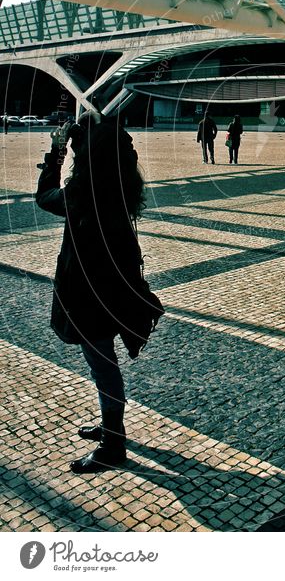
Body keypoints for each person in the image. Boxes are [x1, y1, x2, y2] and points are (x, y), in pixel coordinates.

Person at [35, 112, 162, 474]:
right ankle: (111, 427)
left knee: (103, 369)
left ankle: (113, 444)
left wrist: (55, 155)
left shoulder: (85, 191)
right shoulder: (119, 185)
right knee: (103, 366)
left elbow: (45, 197)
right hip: (109, 290)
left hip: (91, 296)